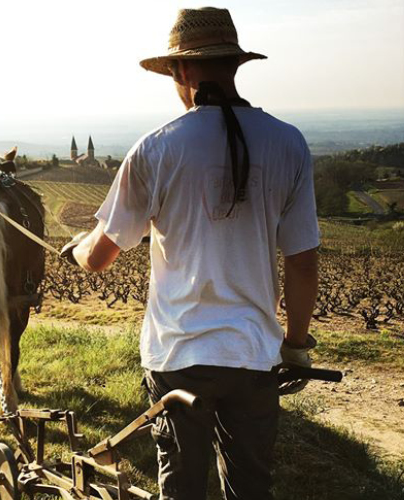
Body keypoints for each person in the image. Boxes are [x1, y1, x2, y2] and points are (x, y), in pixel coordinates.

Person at [60, 7, 320, 500]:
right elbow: (302, 261)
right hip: (254, 355)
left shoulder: (156, 149)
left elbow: (99, 257)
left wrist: (75, 250)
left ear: (180, 70)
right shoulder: (289, 143)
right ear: (235, 64)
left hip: (178, 356)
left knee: (181, 488)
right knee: (251, 487)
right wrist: (297, 344)